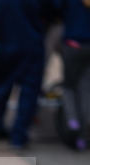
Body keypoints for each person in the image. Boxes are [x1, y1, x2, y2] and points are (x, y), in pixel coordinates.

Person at [0, 0, 53, 148]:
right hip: (31, 43)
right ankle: (19, 137)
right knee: (29, 93)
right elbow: (50, 11)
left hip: (3, 46)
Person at [56, 0, 90, 150]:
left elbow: (56, 9)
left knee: (69, 87)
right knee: (86, 89)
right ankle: (85, 134)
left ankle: (73, 122)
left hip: (73, 43)